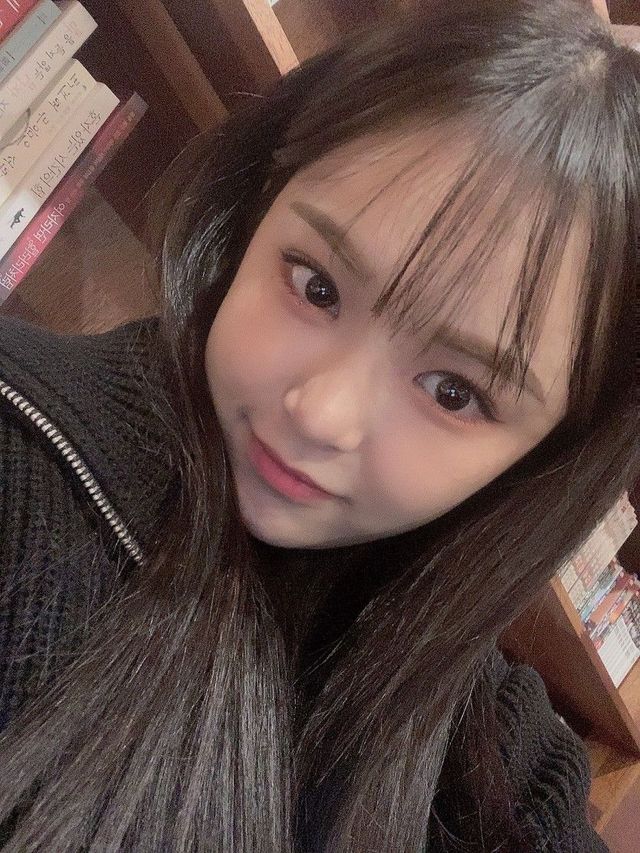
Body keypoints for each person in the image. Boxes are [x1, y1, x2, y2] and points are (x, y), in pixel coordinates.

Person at [0, 0, 638, 849]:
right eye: (317, 286)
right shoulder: (25, 466)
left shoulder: (492, 744)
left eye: (455, 392)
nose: (320, 412)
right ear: (257, 206)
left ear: (542, 458)